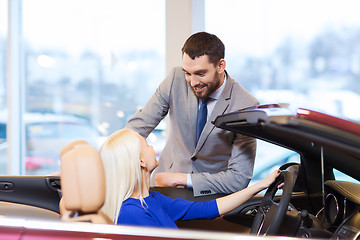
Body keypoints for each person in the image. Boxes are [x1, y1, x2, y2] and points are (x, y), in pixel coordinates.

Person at [125, 32, 259, 197]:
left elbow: (239, 178)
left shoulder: (245, 105)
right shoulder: (176, 78)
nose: (193, 82)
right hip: (162, 190)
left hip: (209, 197)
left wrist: (182, 179)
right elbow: (139, 126)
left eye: (201, 73)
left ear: (221, 65)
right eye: (188, 73)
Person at [99, 129, 280, 228]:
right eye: (146, 145)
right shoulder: (131, 213)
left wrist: (262, 185)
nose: (152, 147)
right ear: (140, 161)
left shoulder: (152, 199)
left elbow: (208, 209)